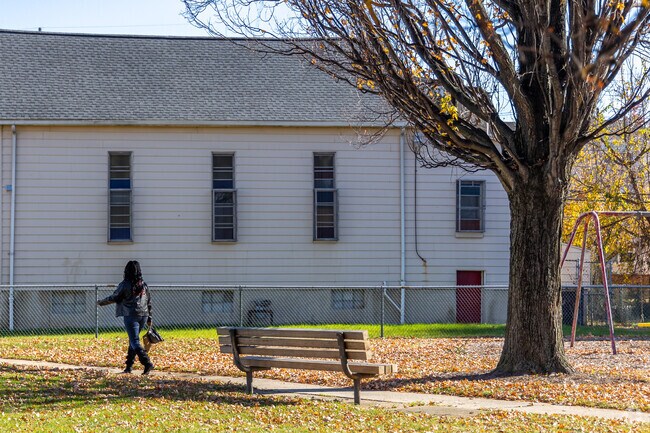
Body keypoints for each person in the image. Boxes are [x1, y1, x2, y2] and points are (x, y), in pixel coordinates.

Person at [97, 260, 154, 375]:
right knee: (132, 340)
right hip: (143, 314)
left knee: (134, 341)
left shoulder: (125, 284)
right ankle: (129, 367)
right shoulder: (143, 285)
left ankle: (147, 363)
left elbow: (115, 297)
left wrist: (101, 302)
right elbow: (149, 301)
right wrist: (149, 317)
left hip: (130, 315)